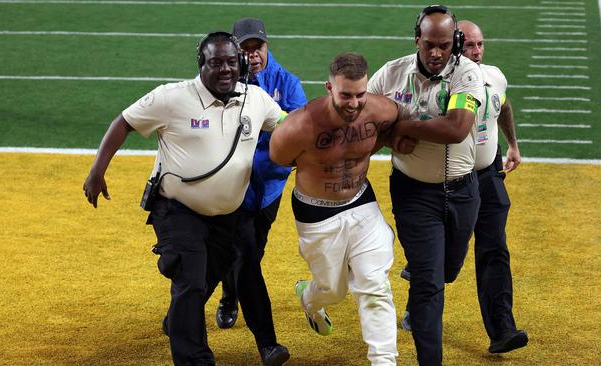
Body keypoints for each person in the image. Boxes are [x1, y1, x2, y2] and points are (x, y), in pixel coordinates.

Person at [83, 31, 288, 366]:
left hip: (229, 215)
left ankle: (178, 318)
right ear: (201, 64)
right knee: (191, 279)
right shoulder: (170, 98)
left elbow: (286, 125)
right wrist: (97, 171)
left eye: (230, 62)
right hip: (179, 210)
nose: (225, 69)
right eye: (215, 62)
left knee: (208, 277)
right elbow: (123, 123)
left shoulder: (257, 99)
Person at [397, 19, 529, 355]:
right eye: (469, 45)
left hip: (488, 176)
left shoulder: (494, 75)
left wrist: (512, 144)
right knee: (441, 260)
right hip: (453, 182)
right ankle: (420, 298)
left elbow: (503, 105)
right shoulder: (449, 81)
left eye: (480, 44)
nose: (476, 51)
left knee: (494, 249)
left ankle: (502, 329)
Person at [270, 52, 410, 366]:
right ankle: (309, 298)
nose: (354, 103)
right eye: (345, 95)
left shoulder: (379, 108)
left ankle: (384, 360)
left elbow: (402, 121)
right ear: (329, 88)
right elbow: (279, 158)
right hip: (317, 214)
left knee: (375, 285)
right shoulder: (298, 126)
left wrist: (396, 137)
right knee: (332, 291)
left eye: (360, 94)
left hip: (362, 202)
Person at [367, 5, 484, 366]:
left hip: (463, 189)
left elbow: (456, 128)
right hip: (414, 192)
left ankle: (422, 272)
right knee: (430, 284)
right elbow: (365, 125)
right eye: (429, 44)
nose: (436, 53)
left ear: (456, 43)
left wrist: (400, 128)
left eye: (445, 45)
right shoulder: (391, 74)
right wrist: (385, 139)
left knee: (447, 269)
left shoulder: (468, 74)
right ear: (417, 39)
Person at [211, 16, 306, 363]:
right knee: (242, 254)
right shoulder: (219, 81)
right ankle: (230, 306)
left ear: (267, 47)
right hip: (229, 188)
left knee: (250, 254)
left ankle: (228, 294)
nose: (252, 55)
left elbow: (297, 131)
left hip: (268, 189)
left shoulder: (287, 83)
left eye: (257, 48)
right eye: (245, 49)